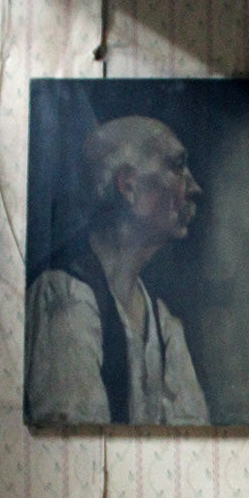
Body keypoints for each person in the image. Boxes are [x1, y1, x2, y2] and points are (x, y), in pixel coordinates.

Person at [25, 115, 210, 426]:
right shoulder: (64, 297)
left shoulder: (162, 322)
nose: (195, 188)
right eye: (177, 167)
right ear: (129, 185)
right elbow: (74, 438)